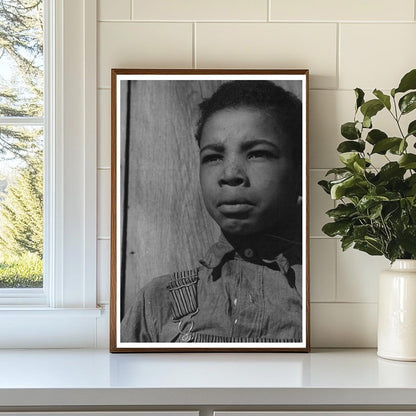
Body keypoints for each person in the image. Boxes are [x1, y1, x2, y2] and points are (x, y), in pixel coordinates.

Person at [121, 80, 303, 343]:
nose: (230, 174)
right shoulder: (157, 302)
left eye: (257, 154)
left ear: (299, 170)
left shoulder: (321, 300)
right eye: (213, 157)